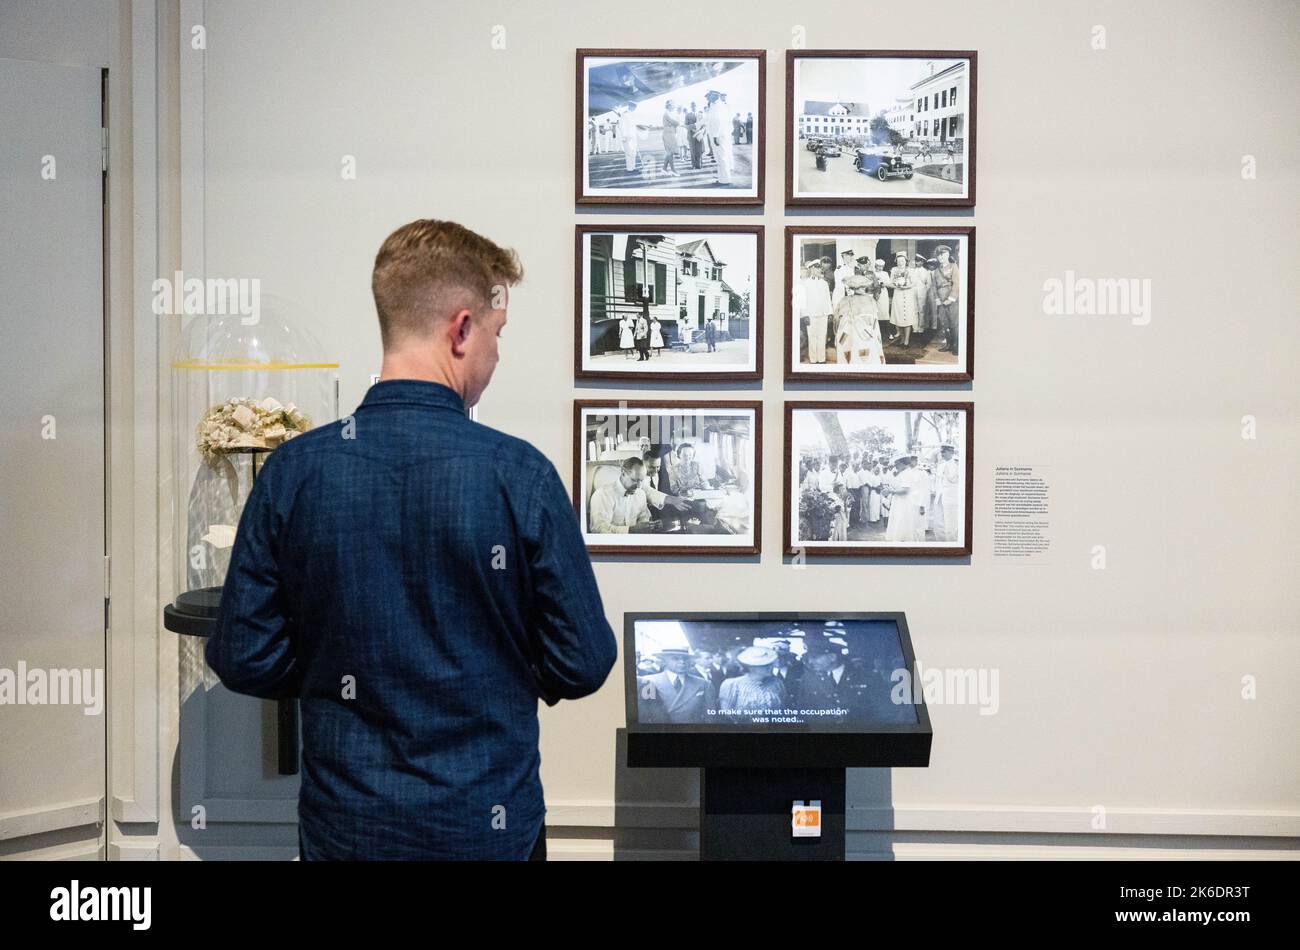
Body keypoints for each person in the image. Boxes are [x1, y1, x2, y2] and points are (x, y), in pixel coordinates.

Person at [206, 219, 616, 861]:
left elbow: (241, 655)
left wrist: (334, 670)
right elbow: (584, 661)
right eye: (496, 334)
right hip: (487, 828)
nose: (497, 355)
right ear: (460, 328)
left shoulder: (294, 471)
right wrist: (502, 670)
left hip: (348, 830)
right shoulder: (520, 474)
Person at [637, 648, 716, 723]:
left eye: (685, 658)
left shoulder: (704, 684)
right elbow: (644, 715)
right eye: (675, 658)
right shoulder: (648, 682)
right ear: (664, 661)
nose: (682, 661)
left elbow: (710, 716)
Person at [589, 456, 652, 533]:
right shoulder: (602, 495)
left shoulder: (641, 494)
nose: (639, 486)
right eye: (634, 480)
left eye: (641, 480)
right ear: (623, 473)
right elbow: (599, 529)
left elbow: (644, 517)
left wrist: (649, 525)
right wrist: (631, 530)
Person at [833, 274, 885, 366]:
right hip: (856, 333)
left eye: (863, 287)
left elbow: (836, 319)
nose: (862, 289)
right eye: (860, 287)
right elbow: (838, 317)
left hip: (860, 333)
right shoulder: (868, 300)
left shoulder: (868, 300)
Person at [718, 647, 785, 713]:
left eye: (770, 664)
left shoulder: (777, 683)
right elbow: (727, 714)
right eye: (764, 665)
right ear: (751, 667)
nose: (770, 667)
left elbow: (784, 708)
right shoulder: (732, 685)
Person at [929, 245, 960, 354]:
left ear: (947, 254)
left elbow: (957, 284)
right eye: (939, 255)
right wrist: (937, 299)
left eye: (943, 254)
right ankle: (948, 344)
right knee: (944, 322)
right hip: (941, 301)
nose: (940, 257)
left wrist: (951, 299)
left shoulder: (953, 266)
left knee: (954, 322)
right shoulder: (936, 271)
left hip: (951, 300)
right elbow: (934, 287)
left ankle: (956, 345)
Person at [801, 262, 833, 364]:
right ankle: (814, 360)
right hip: (811, 314)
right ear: (812, 269)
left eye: (820, 267)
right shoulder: (805, 283)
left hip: (823, 313)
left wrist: (830, 313)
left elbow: (828, 299)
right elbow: (803, 300)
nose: (820, 269)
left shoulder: (824, 283)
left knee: (822, 336)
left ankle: (822, 359)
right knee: (812, 336)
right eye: (817, 267)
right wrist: (805, 315)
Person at [889, 250, 920, 347]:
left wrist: (906, 286)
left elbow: (914, 283)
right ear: (896, 261)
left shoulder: (910, 270)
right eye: (898, 261)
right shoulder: (894, 270)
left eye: (902, 261)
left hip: (907, 295)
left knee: (906, 317)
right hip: (897, 295)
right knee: (898, 318)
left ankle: (906, 340)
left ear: (906, 261)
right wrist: (896, 286)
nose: (900, 263)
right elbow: (890, 283)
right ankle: (902, 339)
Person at [703, 90, 733, 185]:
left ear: (715, 96)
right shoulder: (714, 105)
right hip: (716, 135)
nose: (707, 98)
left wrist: (715, 136)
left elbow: (719, 122)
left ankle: (725, 180)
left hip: (719, 136)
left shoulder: (719, 106)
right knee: (719, 158)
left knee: (722, 157)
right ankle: (722, 179)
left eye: (708, 96)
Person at [935, 443, 961, 541]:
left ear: (951, 452)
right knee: (939, 523)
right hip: (940, 497)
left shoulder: (955, 464)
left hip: (951, 497)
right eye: (941, 452)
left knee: (951, 524)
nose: (942, 454)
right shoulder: (941, 465)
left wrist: (945, 468)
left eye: (944, 452)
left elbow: (952, 479)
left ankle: (952, 543)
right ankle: (942, 543)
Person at [618, 102, 641, 173]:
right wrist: (623, 137)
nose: (635, 108)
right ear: (630, 106)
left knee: (633, 153)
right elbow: (622, 126)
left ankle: (633, 168)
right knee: (629, 153)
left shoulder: (632, 115)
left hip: (633, 137)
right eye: (634, 107)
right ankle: (629, 169)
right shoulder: (625, 114)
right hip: (627, 137)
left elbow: (633, 127)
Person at [660, 100, 681, 176]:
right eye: (673, 105)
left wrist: (676, 122)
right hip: (668, 134)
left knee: (670, 152)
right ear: (669, 106)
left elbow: (676, 123)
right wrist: (677, 122)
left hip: (670, 133)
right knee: (670, 152)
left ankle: (664, 169)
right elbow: (676, 122)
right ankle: (673, 170)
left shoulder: (669, 113)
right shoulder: (667, 114)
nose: (674, 107)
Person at [685, 101, 704, 169]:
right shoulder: (688, 115)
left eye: (695, 106)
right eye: (692, 106)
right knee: (693, 150)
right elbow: (686, 125)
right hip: (691, 134)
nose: (694, 107)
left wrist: (700, 131)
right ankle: (693, 165)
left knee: (699, 150)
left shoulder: (700, 114)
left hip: (699, 134)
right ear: (691, 107)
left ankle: (699, 164)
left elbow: (703, 124)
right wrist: (693, 130)